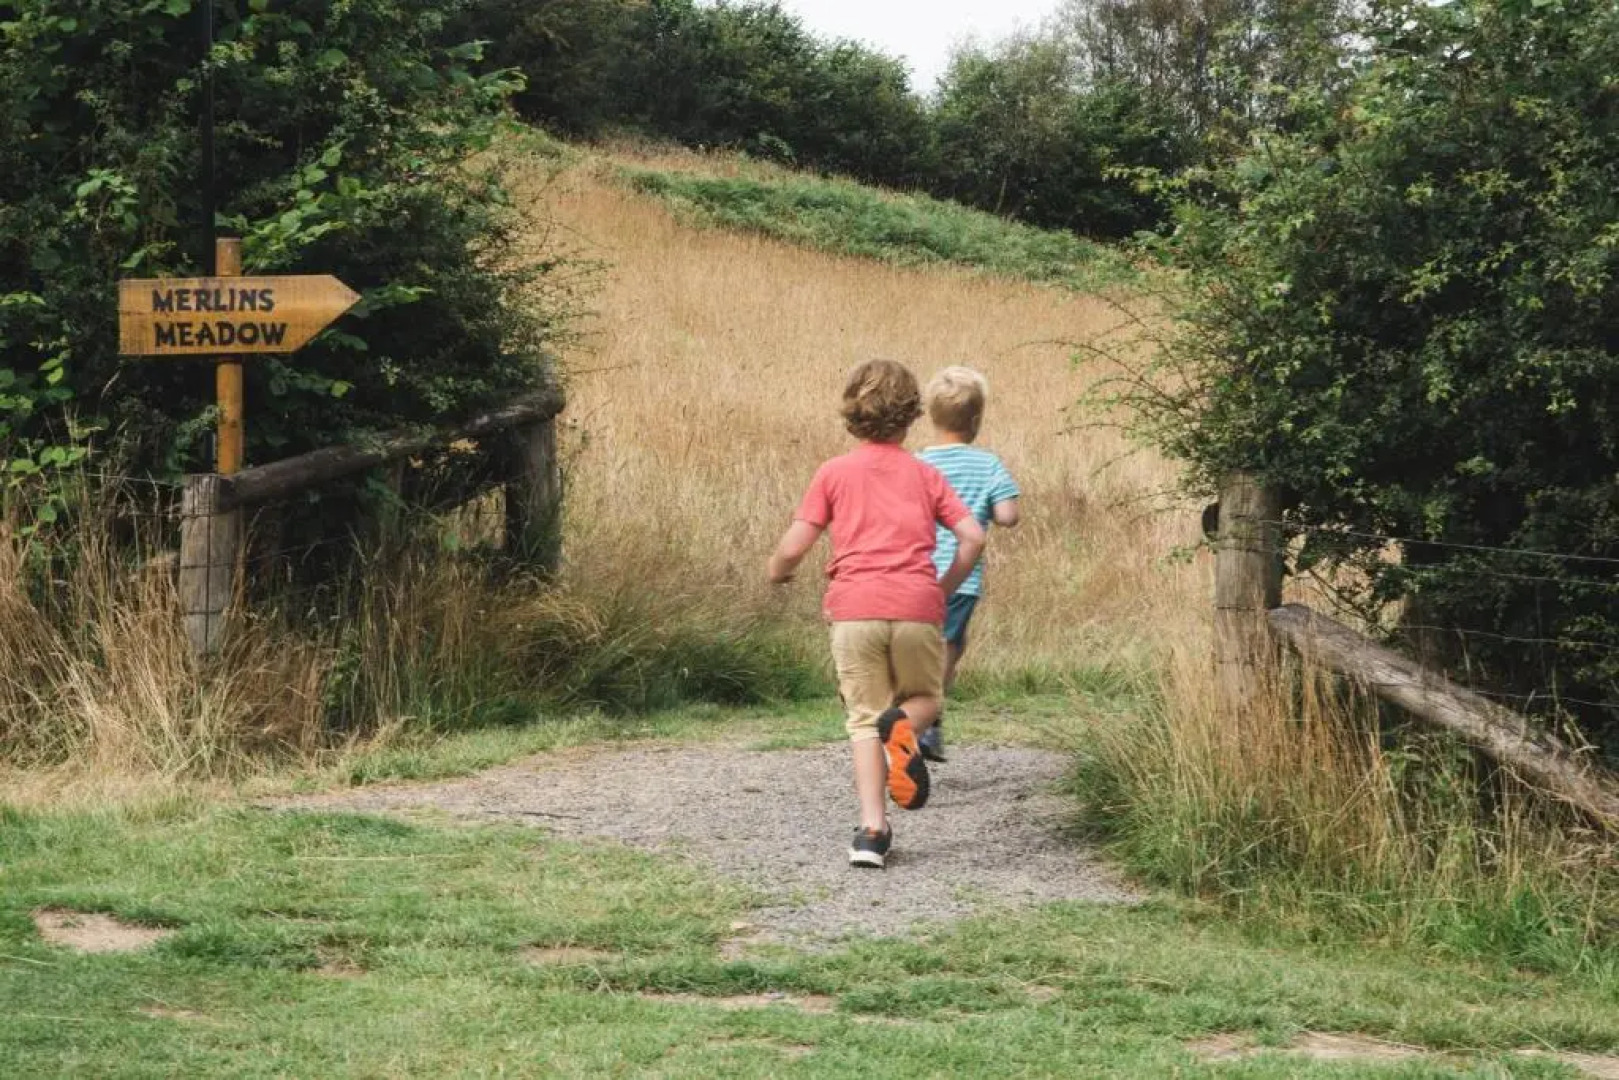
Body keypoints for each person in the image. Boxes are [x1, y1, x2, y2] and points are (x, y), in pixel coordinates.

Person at [768, 359, 985, 869]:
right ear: (912, 415)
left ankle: (872, 833)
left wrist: (777, 570)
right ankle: (904, 725)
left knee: (864, 720)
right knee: (926, 699)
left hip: (855, 610)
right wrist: (942, 586)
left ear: (852, 411)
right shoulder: (925, 474)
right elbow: (972, 536)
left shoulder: (834, 473)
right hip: (916, 606)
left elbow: (797, 544)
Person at [916, 367, 1022, 763]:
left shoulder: (917, 464)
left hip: (917, 572)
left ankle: (914, 707)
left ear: (930, 416)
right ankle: (928, 718)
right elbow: (1008, 516)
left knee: (921, 642)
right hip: (960, 576)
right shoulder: (988, 464)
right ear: (976, 420)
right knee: (948, 645)